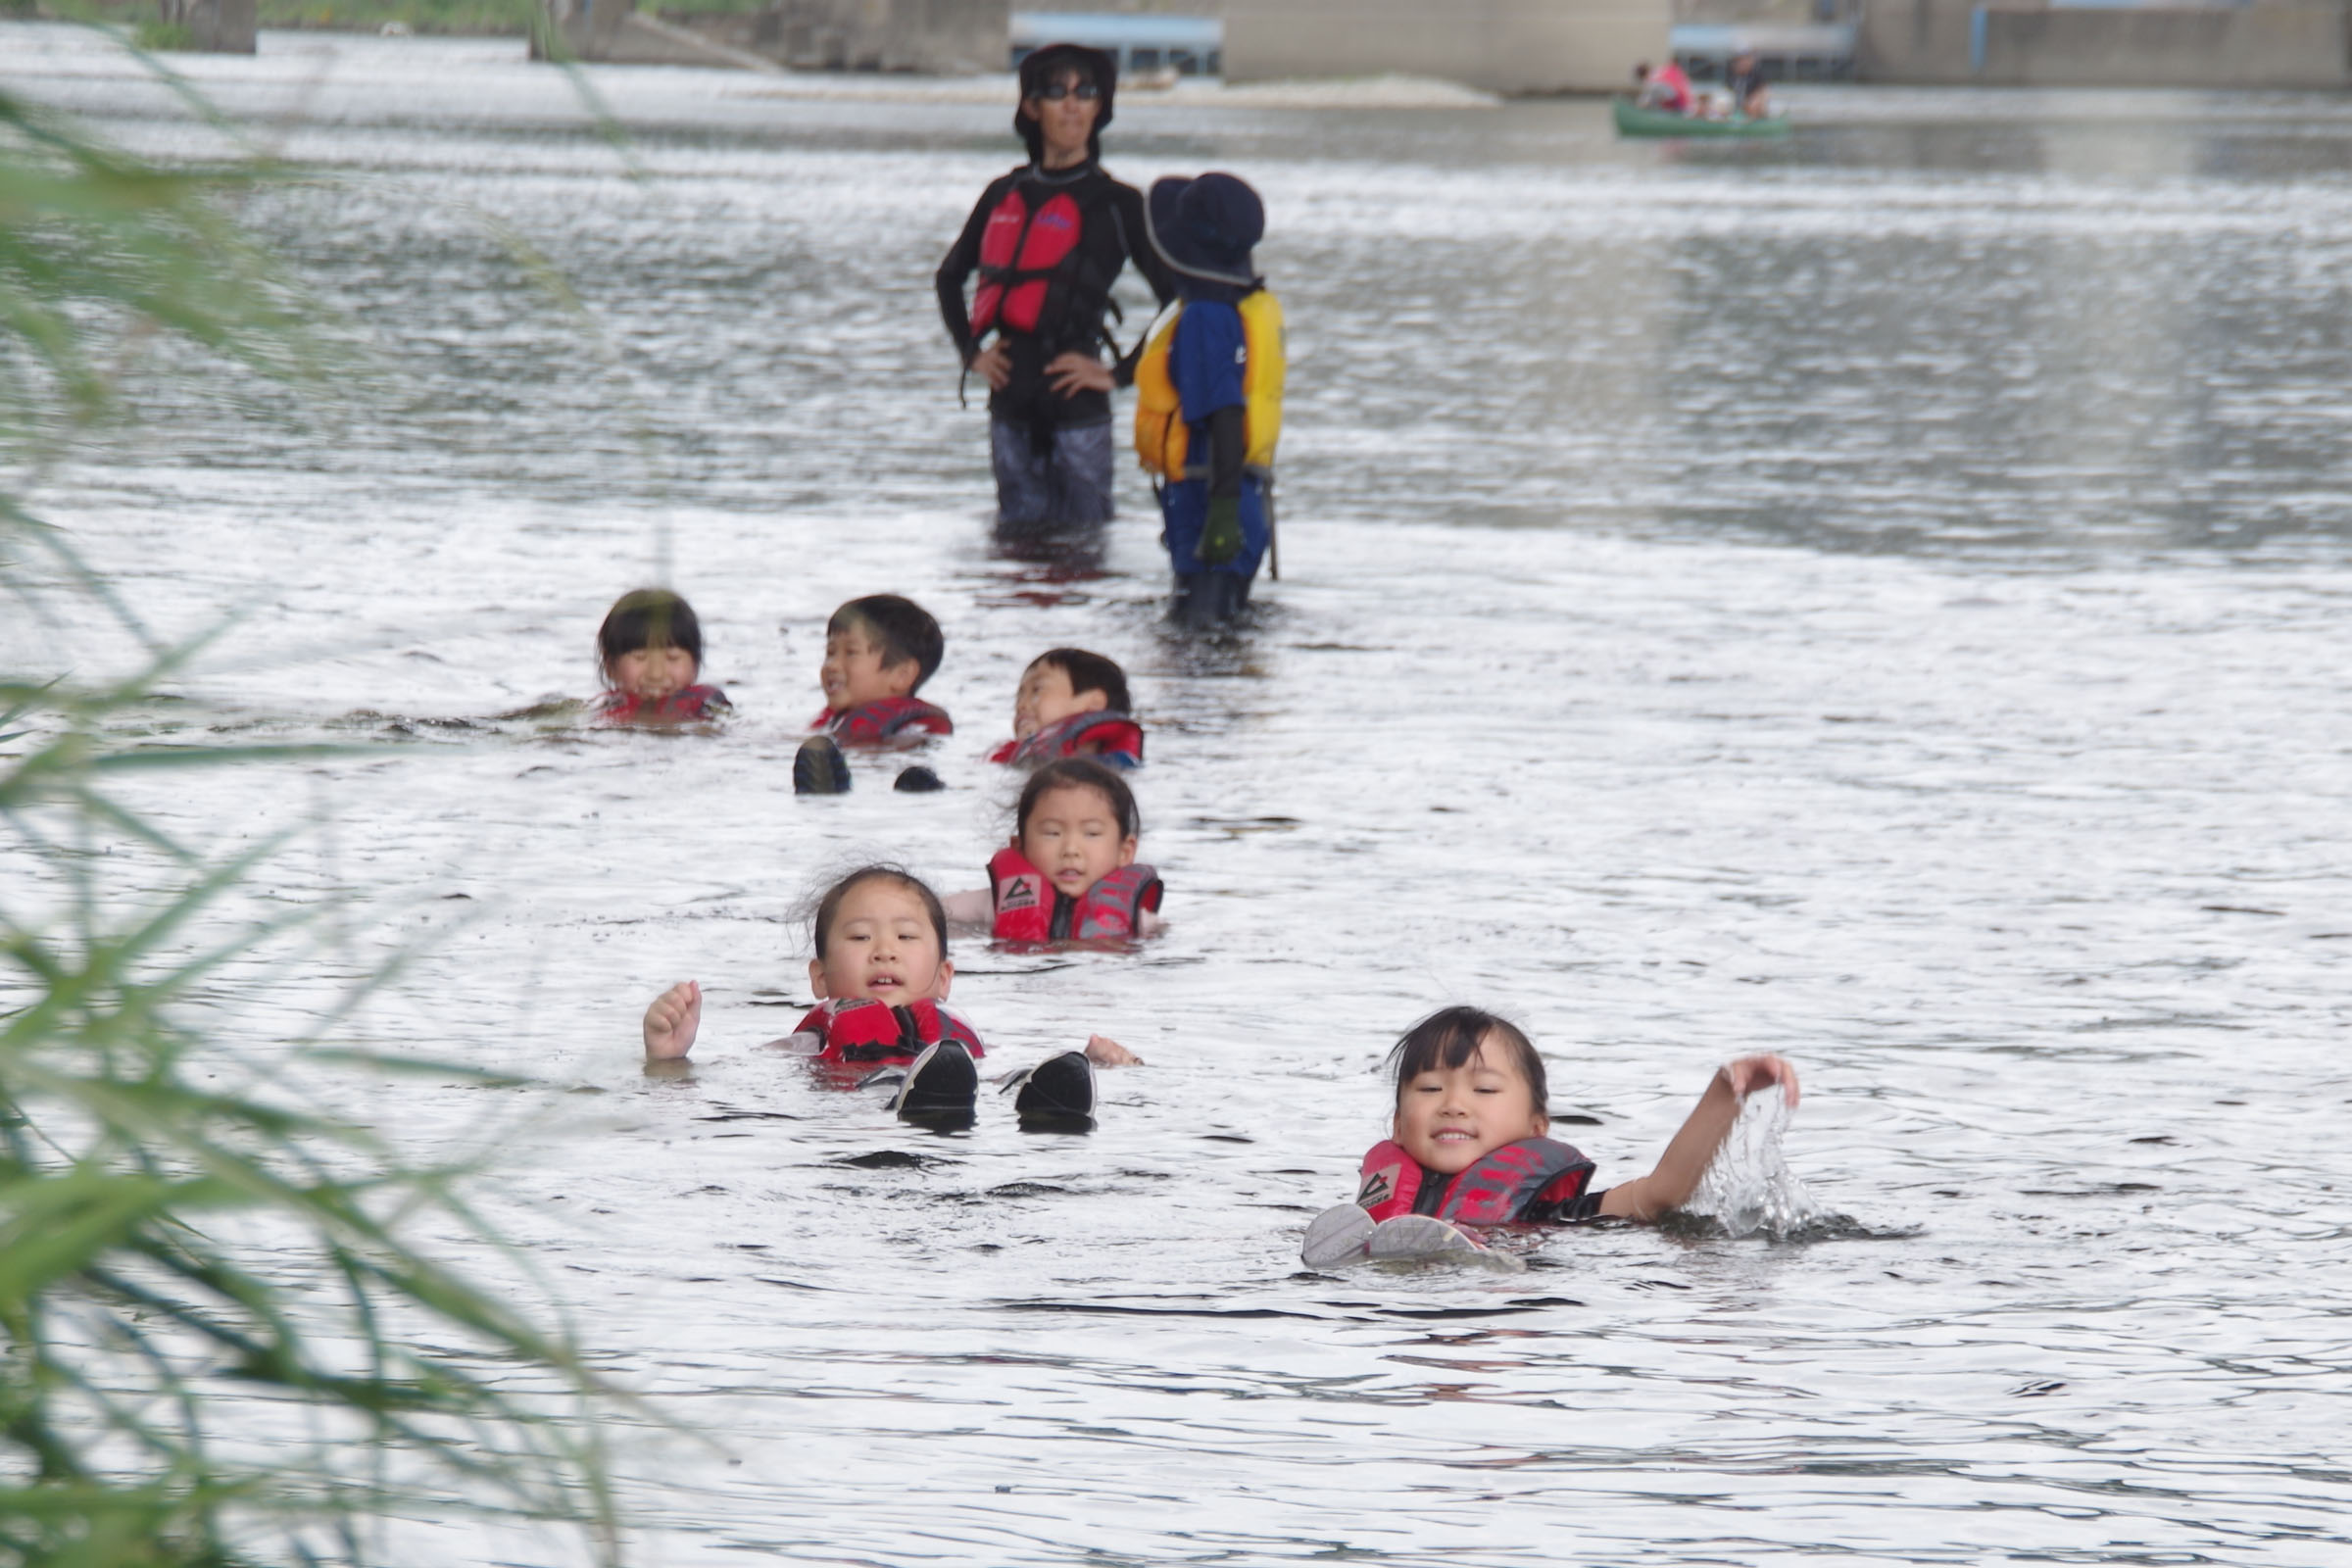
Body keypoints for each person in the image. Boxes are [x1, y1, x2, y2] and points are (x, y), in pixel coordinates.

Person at [1300, 1005, 1801, 1265]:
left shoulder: (1550, 1211)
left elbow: (1661, 1193)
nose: (1453, 1103)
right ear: (1397, 1125)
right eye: (1430, 1088)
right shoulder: (1376, 1200)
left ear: (1536, 1127)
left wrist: (1723, 1095)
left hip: (1502, 1297)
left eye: (1484, 1089)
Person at [642, 865, 1140, 1125]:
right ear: (819, 978)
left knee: (1006, 1075)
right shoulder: (810, 1043)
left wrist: (1095, 1064)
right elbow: (742, 1079)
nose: (884, 952)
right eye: (860, 939)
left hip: (961, 1088)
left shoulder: (959, 1037)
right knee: (903, 1082)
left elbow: (993, 1066)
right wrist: (671, 1060)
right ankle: (926, 1097)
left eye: (905, 937)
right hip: (869, 1105)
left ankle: (1052, 1097)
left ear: (944, 977)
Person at [936, 43, 1178, 535]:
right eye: (1056, 92)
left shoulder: (1120, 203)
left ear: (1099, 108)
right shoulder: (1003, 194)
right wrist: (971, 353)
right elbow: (948, 277)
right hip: (1010, 400)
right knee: (1014, 550)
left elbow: (1176, 300)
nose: (1071, 104)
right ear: (1031, 107)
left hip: (1078, 406)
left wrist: (1119, 374)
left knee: (1085, 544)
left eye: (1084, 93)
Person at [1134, 172, 1284, 626]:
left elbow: (1225, 413)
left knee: (1196, 632)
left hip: (1211, 499)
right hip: (1243, 496)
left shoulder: (1204, 317)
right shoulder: (1241, 307)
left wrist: (1220, 515)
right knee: (1224, 632)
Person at [942, 759, 1163, 944]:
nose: (1070, 849)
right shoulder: (991, 904)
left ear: (1124, 852)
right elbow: (929, 915)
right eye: (1052, 833)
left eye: (1091, 834)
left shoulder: (1140, 923)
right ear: (1020, 847)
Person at [796, 595, 952, 795]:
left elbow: (920, 741)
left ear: (902, 675)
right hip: (858, 772)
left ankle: (832, 788)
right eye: (830, 652)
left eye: (850, 653)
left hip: (894, 782)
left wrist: (868, 747)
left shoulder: (917, 722)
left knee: (916, 780)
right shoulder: (834, 720)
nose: (831, 665)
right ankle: (829, 788)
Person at [593, 588, 730, 725]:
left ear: (695, 663)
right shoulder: (601, 710)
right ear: (609, 665)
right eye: (640, 657)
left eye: (672, 658)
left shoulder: (708, 707)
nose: (656, 674)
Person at [988, 647, 1144, 768]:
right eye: (1019, 696)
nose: (1021, 705)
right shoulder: (1016, 760)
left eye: (1037, 691)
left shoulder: (1118, 769)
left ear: (1093, 704)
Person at [1725, 51, 1771, 120]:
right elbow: (1727, 91)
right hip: (1735, 105)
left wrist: (1753, 100)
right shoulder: (1731, 75)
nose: (1742, 63)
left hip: (1750, 104)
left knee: (1755, 103)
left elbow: (1763, 90)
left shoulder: (1756, 75)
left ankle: (1753, 120)